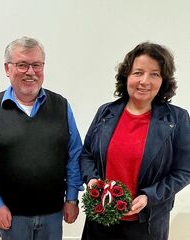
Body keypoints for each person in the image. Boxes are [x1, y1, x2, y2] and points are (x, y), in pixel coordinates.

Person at [0, 36, 82, 240]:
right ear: (7, 69)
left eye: (36, 65)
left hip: (53, 215)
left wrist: (72, 198)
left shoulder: (62, 106)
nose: (30, 72)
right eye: (22, 65)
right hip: (11, 217)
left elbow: (74, 154)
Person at [80, 42, 190, 240]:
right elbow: (86, 154)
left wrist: (150, 196)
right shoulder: (106, 112)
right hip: (99, 222)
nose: (145, 81)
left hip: (146, 225)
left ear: (163, 80)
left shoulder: (177, 119)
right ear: (127, 76)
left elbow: (184, 170)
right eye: (138, 72)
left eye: (154, 74)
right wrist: (92, 179)